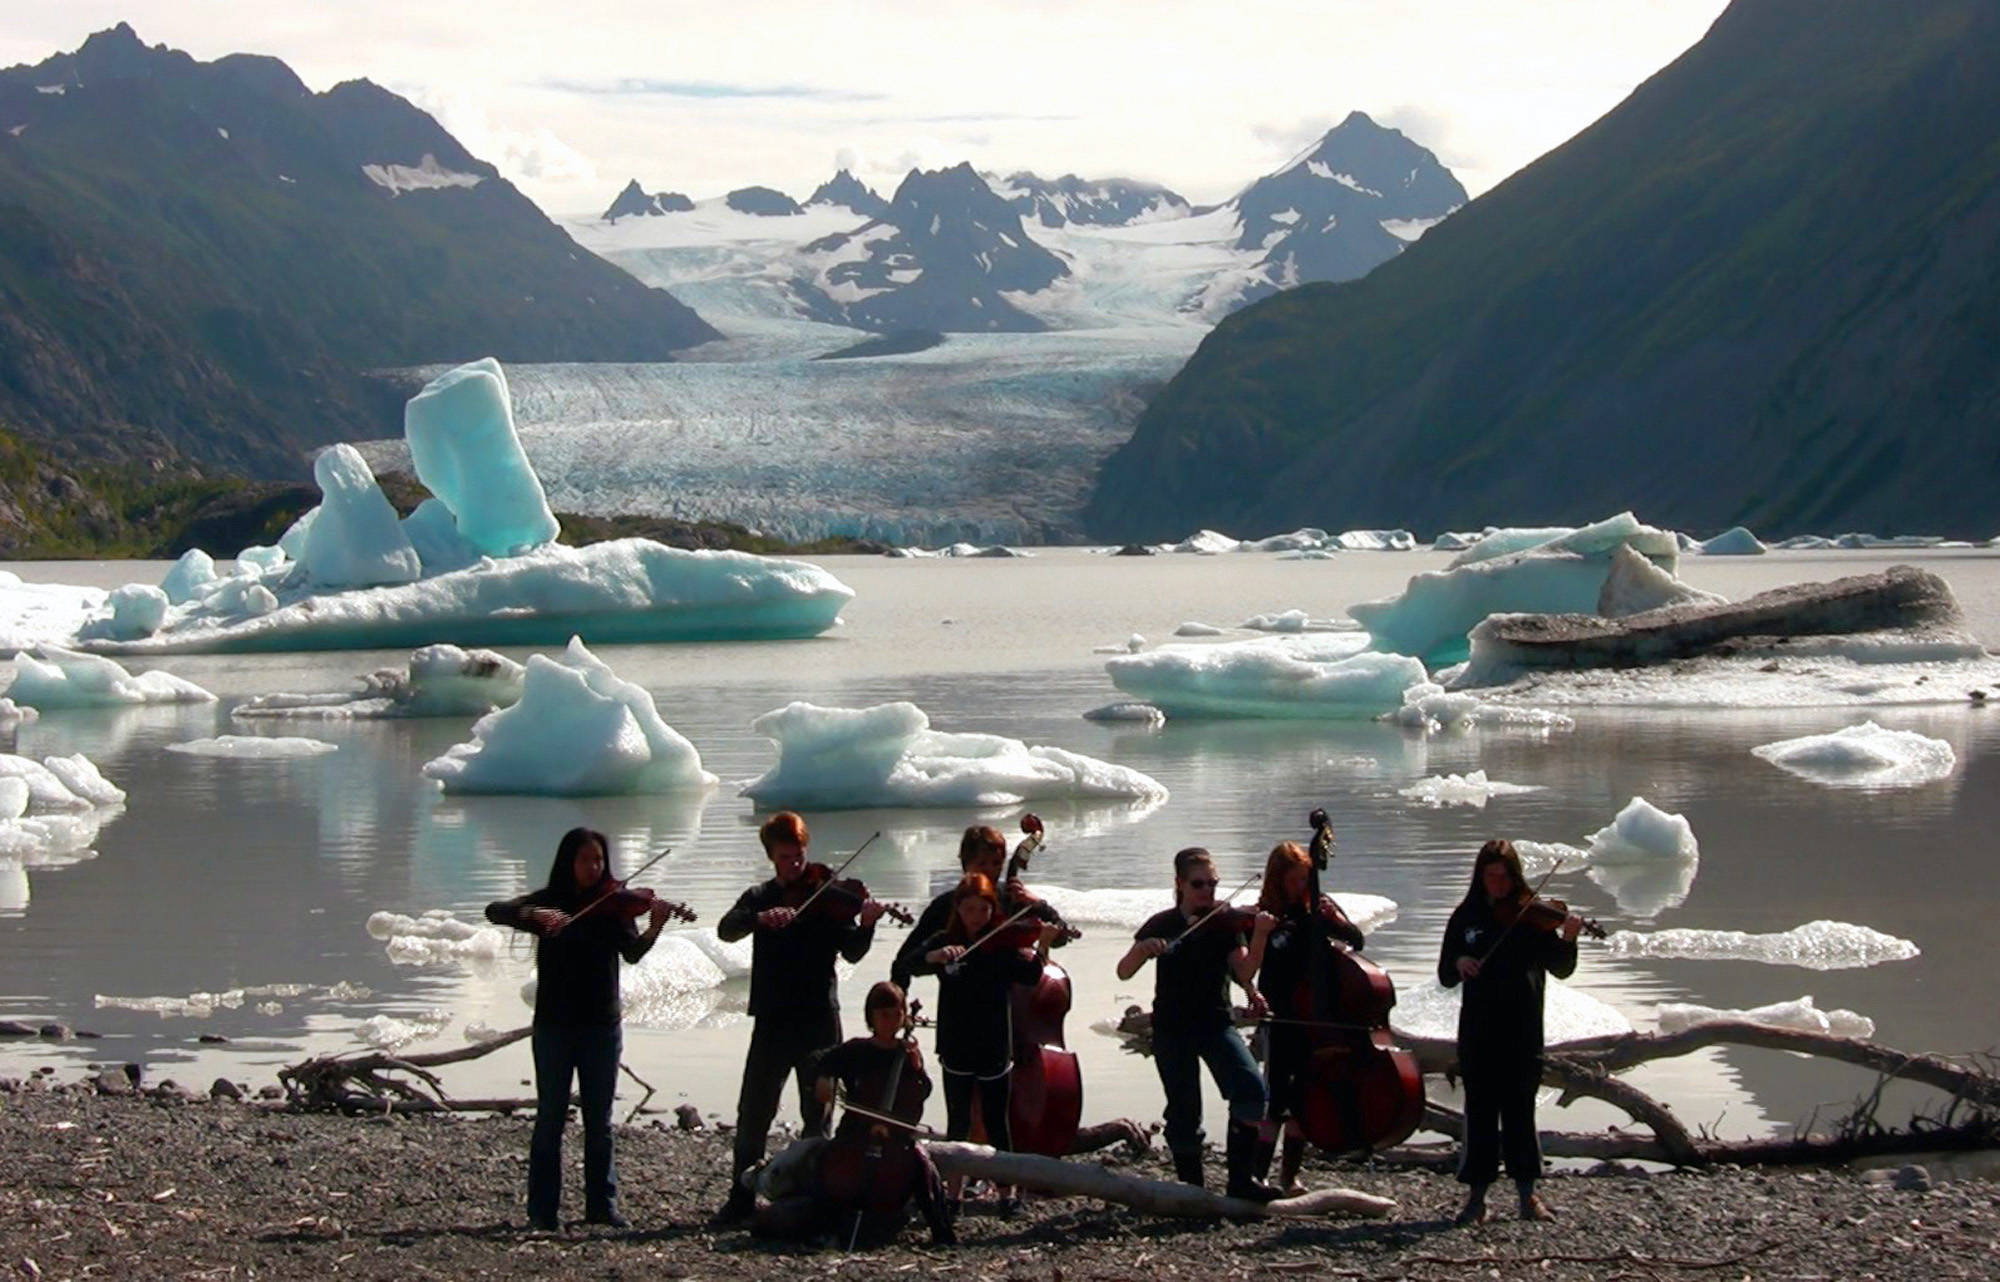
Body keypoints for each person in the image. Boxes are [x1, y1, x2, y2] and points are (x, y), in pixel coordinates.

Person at [485, 826, 677, 1230]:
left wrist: (655, 926)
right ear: (568, 862)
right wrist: (530, 915)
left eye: (599, 861)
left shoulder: (614, 906)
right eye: (586, 860)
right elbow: (494, 910)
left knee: (599, 1121)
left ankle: (601, 1207)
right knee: (550, 1118)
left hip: (601, 1026)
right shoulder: (548, 903)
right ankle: (542, 1211)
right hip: (554, 1025)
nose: (593, 868)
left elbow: (633, 954)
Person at [713, 811, 885, 1225]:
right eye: (787, 856)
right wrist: (759, 920)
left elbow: (853, 952)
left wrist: (867, 925)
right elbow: (725, 929)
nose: (796, 864)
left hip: (819, 1019)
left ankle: (817, 1198)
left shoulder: (828, 895)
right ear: (771, 856)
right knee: (754, 1111)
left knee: (818, 1113)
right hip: (772, 1019)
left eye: (800, 855)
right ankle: (741, 1198)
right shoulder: (759, 897)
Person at [1117, 846, 1282, 1201]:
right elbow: (1124, 972)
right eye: (1199, 884)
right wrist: (1143, 949)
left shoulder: (1224, 924)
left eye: (1213, 883)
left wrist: (1261, 935)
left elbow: (1244, 971)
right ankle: (1193, 1191)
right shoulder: (1162, 923)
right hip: (1172, 1028)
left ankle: (1241, 1180)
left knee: (1250, 1088)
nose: (1208, 891)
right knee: (1183, 1109)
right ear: (1179, 883)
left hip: (1215, 1023)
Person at [1437, 838, 1582, 1225]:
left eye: (1504, 877)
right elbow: (1445, 973)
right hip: (1479, 1030)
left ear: (1515, 876)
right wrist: (1461, 960)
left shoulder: (1533, 916)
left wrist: (1568, 938)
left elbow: (1561, 967)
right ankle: (1476, 1198)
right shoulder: (1465, 917)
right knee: (1480, 1112)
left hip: (1522, 1029)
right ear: (1480, 877)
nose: (1498, 885)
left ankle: (1527, 1196)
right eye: (1490, 877)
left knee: (1520, 1112)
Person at [906, 872, 1057, 1216]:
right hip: (956, 1042)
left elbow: (1032, 974)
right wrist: (935, 957)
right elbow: (909, 963)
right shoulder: (945, 941)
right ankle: (953, 1196)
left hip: (994, 1043)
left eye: (983, 910)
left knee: (996, 1121)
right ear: (958, 909)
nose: (976, 917)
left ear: (992, 910)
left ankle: (1007, 1195)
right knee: (957, 1123)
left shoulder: (1001, 946)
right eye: (969, 909)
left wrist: (1043, 944)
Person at [1248, 838, 1368, 1195]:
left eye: (1306, 880)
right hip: (1282, 1017)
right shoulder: (1266, 917)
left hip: (1317, 1020)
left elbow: (1356, 940)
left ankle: (1290, 1175)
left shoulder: (1319, 910)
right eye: (1295, 881)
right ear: (1278, 879)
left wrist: (1333, 922)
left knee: (1303, 1098)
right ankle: (1258, 1174)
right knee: (1276, 1100)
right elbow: (1252, 967)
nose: (1302, 887)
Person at [795, 981, 955, 1247]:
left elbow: (920, 1095)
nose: (890, 1021)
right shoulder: (857, 1050)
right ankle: (821, 1226)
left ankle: (942, 1232)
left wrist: (916, 1068)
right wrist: (824, 1078)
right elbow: (817, 1060)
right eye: (883, 1015)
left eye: (896, 1014)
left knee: (923, 1166)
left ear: (905, 1016)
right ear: (871, 1017)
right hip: (855, 1133)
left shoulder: (907, 1055)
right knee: (824, 1161)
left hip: (896, 1138)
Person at [890, 824, 1070, 992]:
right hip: (956, 1006)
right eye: (982, 863)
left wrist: (1037, 903)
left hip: (1007, 1010)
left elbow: (1060, 936)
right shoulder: (945, 906)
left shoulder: (1011, 897)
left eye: (997, 863)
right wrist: (898, 1002)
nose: (991, 870)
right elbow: (904, 963)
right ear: (965, 864)